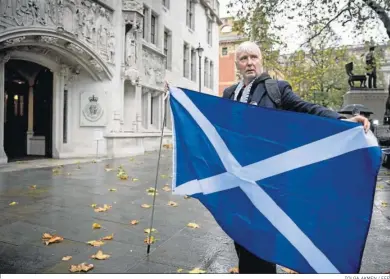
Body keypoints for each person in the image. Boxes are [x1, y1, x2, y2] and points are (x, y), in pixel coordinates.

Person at [222, 41, 370, 274]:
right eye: (243, 58)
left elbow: (307, 108)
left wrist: (341, 121)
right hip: (238, 177)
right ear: (237, 64)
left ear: (261, 59)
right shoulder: (229, 93)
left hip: (266, 178)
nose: (249, 62)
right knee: (241, 234)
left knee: (261, 238)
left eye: (253, 57)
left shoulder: (276, 88)